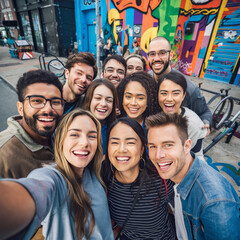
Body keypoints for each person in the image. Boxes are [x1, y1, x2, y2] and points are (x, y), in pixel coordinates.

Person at [0, 109, 114, 240]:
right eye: (74, 135)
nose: (84, 143)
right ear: (61, 140)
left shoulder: (95, 174)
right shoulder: (52, 178)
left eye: (92, 136)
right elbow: (35, 192)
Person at [146, 112, 240, 240]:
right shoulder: (176, 173)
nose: (158, 155)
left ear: (187, 146)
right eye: (153, 146)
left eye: (168, 145)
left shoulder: (214, 203)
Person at [102, 117, 177, 240]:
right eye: (114, 142)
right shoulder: (104, 176)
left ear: (142, 149)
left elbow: (185, 210)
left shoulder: (160, 178)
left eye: (130, 142)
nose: (121, 149)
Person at [0, 70, 64, 178]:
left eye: (56, 102)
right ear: (20, 108)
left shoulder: (62, 134)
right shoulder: (4, 155)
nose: (48, 109)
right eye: (37, 101)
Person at [147, 36, 212, 136]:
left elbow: (204, 112)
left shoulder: (189, 87)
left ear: (171, 54)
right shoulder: (146, 80)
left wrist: (205, 122)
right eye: (152, 54)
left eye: (162, 53)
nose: (156, 58)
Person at [157, 71, 207, 160]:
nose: (169, 99)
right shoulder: (155, 113)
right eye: (164, 93)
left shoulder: (192, 124)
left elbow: (195, 155)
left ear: (183, 95)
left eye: (175, 93)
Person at [117, 71, 159, 137]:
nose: (133, 103)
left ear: (149, 100)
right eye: (128, 97)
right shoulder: (114, 124)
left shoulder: (156, 128)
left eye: (140, 98)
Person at [83, 79, 118, 155]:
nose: (103, 104)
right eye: (98, 98)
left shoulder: (115, 129)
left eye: (109, 100)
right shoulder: (76, 126)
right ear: (89, 99)